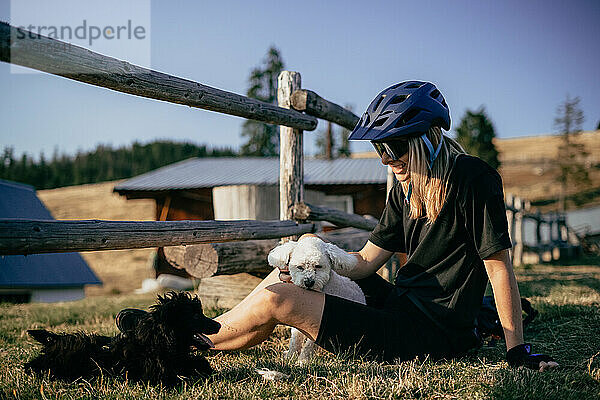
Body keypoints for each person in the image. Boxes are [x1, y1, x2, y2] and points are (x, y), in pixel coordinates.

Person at [117, 81, 557, 371]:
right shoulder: (404, 192)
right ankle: (196, 331)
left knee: (283, 301)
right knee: (284, 273)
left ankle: (183, 344)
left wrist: (516, 351)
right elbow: (365, 264)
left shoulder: (473, 179)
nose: (387, 161)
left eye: (393, 149)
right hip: (398, 309)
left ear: (427, 138)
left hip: (433, 335)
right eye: (381, 151)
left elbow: (498, 268)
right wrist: (321, 254)